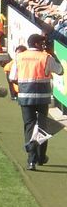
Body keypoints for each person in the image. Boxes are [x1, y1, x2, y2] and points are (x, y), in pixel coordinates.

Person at [9, 34, 64, 170]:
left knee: (29, 126)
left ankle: (31, 161)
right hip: (42, 97)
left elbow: (12, 77)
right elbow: (60, 70)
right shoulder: (46, 57)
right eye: (43, 43)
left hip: (25, 96)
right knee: (42, 127)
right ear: (38, 44)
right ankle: (40, 157)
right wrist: (52, 53)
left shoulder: (20, 57)